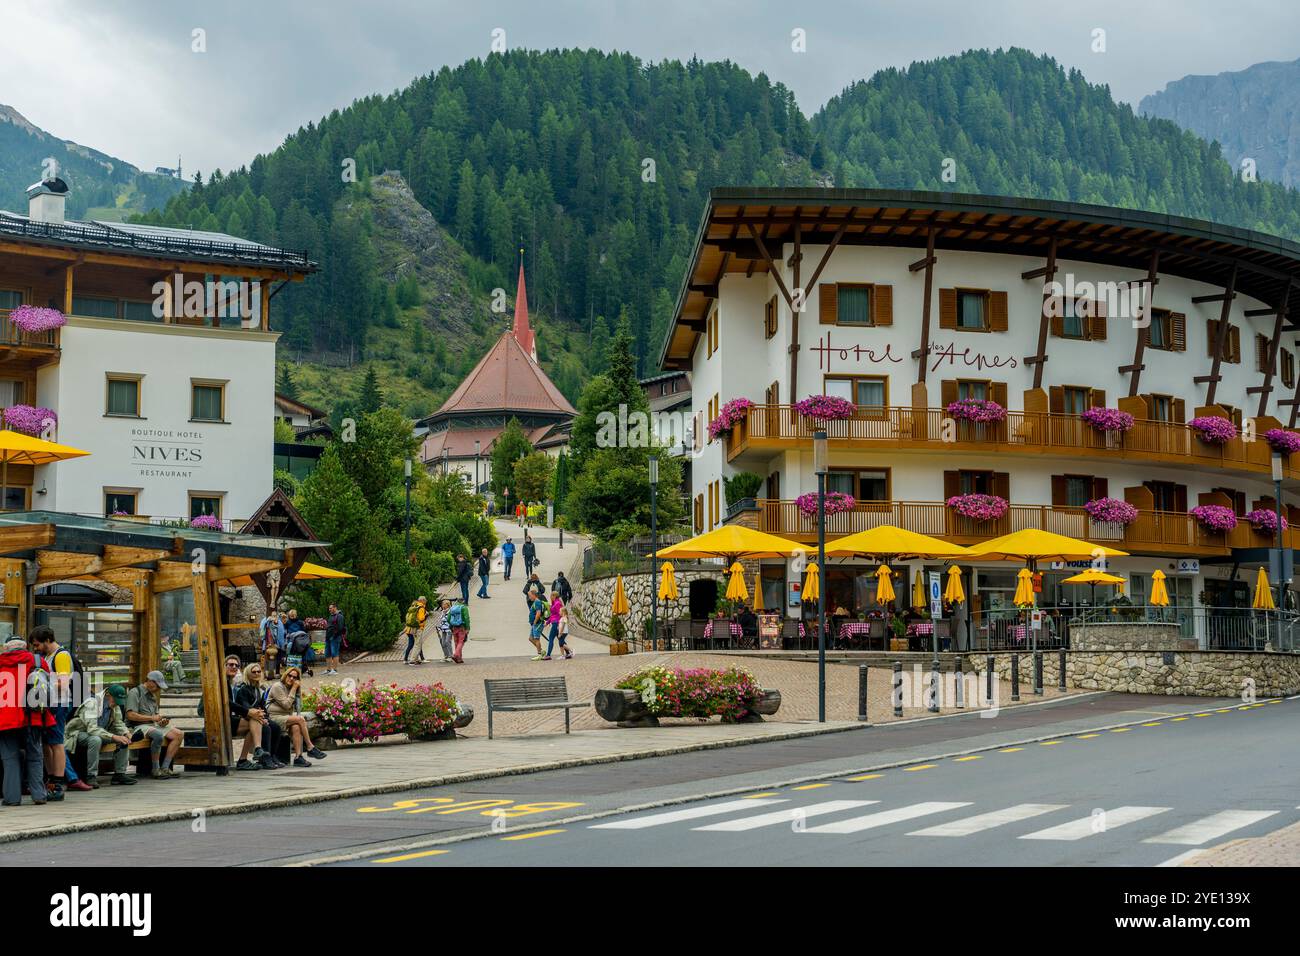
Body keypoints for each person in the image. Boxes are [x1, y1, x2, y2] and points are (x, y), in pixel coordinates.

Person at [30, 625, 91, 796]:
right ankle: (52, 779)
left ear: (48, 640)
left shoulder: (61, 656)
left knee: (56, 742)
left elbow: (63, 684)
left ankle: (57, 781)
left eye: (37, 644)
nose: (35, 648)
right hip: (52, 703)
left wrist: (40, 686)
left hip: (60, 703)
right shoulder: (48, 655)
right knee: (49, 743)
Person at [0, 636, 51, 806]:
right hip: (33, 716)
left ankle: (12, 798)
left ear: (7, 648)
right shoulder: (38, 661)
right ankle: (39, 795)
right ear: (24, 647)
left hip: (5, 718)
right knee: (35, 755)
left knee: (10, 758)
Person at [65, 683, 136, 788]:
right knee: (95, 740)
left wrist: (126, 733)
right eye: (115, 700)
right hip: (76, 734)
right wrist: (113, 736)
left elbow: (118, 723)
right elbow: (92, 729)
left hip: (99, 732)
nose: (116, 704)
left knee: (123, 739)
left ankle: (119, 774)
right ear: (108, 695)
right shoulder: (91, 703)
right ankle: (91, 776)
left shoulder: (114, 706)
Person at [124, 671, 184, 779]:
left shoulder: (153, 696)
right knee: (157, 734)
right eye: (158, 685)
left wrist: (161, 722)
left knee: (179, 734)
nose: (158, 689)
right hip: (137, 727)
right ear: (150, 681)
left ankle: (165, 768)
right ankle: (155, 769)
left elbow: (155, 716)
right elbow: (130, 715)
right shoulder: (135, 692)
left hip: (151, 725)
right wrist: (152, 718)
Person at [265, 667, 327, 767]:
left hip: (285, 717)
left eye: (295, 677)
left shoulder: (293, 687)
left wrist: (297, 690)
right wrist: (294, 689)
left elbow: (299, 707)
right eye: (290, 675)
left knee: (296, 727)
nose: (292, 679)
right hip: (273, 717)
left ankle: (298, 757)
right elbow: (286, 705)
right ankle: (310, 747)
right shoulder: (277, 686)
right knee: (300, 719)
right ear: (285, 675)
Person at [231, 663, 285, 771]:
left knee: (276, 727)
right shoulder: (243, 689)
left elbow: (263, 707)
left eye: (259, 671)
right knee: (266, 728)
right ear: (248, 674)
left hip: (257, 716)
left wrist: (264, 717)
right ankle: (265, 759)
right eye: (254, 672)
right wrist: (259, 716)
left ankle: (272, 755)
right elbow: (245, 707)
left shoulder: (257, 689)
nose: (257, 674)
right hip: (246, 717)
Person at [544, 590, 571, 660]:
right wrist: (547, 622)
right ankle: (568, 653)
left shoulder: (557, 603)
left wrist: (560, 625)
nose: (550, 597)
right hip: (555, 622)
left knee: (551, 638)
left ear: (554, 596)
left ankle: (548, 655)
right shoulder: (554, 603)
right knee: (560, 639)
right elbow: (553, 615)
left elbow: (561, 614)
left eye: (551, 596)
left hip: (556, 623)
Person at [258, 610, 284, 680]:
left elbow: (281, 633)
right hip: (267, 643)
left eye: (275, 616)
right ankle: (267, 674)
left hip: (276, 644)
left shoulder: (279, 623)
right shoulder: (265, 622)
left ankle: (276, 673)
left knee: (276, 659)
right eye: (272, 615)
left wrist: (280, 644)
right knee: (267, 659)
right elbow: (262, 631)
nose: (273, 617)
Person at [403, 596, 428, 665]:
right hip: (419, 627)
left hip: (413, 627)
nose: (426, 601)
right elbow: (421, 619)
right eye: (425, 600)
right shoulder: (421, 608)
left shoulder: (414, 606)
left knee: (416, 643)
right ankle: (413, 659)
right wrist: (426, 615)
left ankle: (416, 659)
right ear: (422, 600)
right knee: (417, 644)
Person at [324, 602, 345, 675]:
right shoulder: (331, 616)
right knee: (327, 654)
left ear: (335, 608)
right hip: (328, 638)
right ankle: (328, 670)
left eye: (331, 608)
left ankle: (335, 670)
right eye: (329, 608)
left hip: (335, 638)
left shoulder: (339, 616)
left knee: (334, 653)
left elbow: (340, 628)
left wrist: (334, 636)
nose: (329, 609)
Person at [446, 598, 470, 663]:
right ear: (463, 601)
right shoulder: (464, 608)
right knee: (461, 642)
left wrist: (451, 625)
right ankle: (456, 655)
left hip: (454, 627)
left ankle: (459, 658)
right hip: (462, 627)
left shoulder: (452, 608)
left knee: (456, 642)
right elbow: (466, 618)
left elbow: (448, 618)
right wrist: (467, 628)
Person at [528, 587, 548, 660]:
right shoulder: (535, 602)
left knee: (537, 639)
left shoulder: (537, 602)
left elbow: (538, 613)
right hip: (534, 624)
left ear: (534, 595)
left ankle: (539, 654)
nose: (529, 597)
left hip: (537, 623)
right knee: (531, 638)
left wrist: (535, 622)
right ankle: (541, 651)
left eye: (530, 596)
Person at [435, 598, 455, 663]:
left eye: (444, 604)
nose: (442, 606)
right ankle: (446, 656)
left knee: (447, 642)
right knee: (443, 643)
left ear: (447, 605)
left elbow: (451, 620)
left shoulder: (451, 612)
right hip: (443, 629)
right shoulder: (442, 612)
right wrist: (438, 627)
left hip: (449, 629)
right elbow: (440, 620)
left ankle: (451, 656)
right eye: (442, 604)